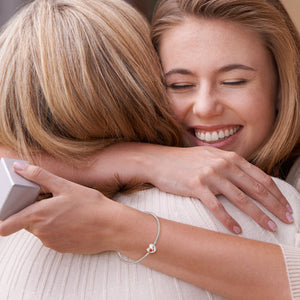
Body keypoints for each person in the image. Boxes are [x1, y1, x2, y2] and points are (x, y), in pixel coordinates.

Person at [0, 0, 299, 299]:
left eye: (235, 81)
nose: (206, 107)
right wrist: (143, 159)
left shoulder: (280, 203)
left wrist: (120, 227)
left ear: (284, 86)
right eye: (179, 85)